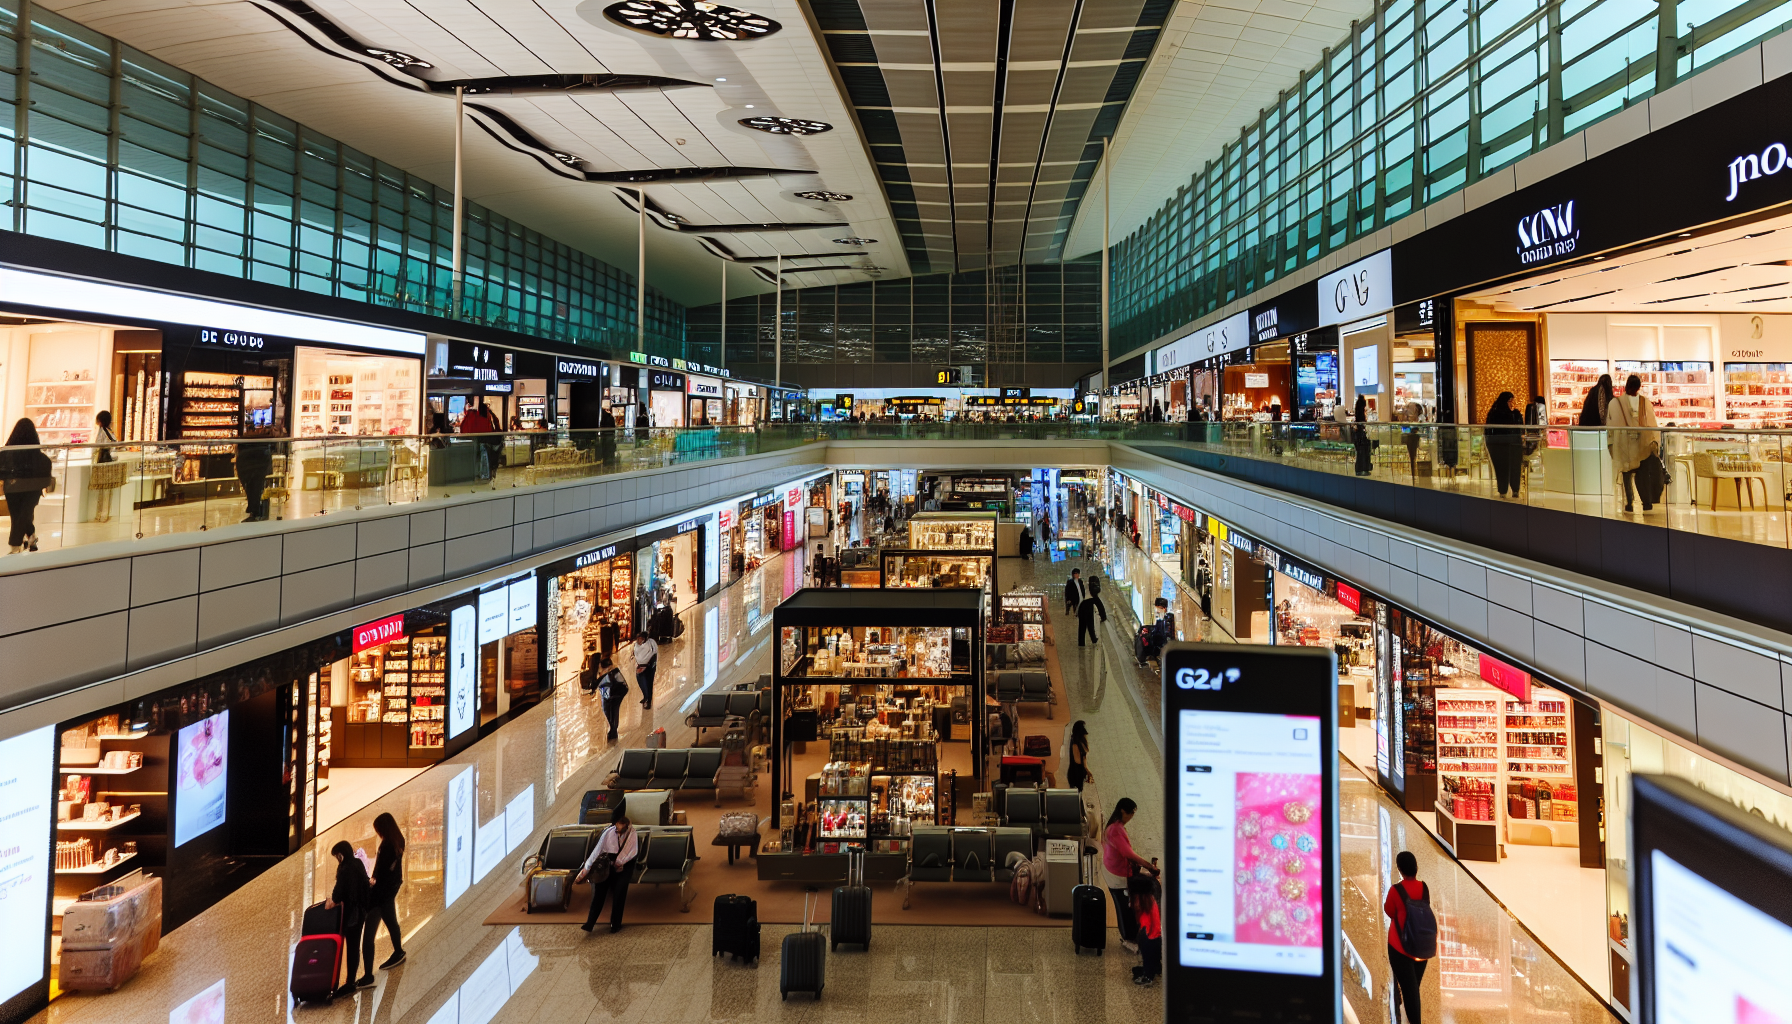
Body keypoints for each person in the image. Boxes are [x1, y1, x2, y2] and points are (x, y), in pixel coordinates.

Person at [1103, 798, 1158, 954]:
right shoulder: (1116, 830)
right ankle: (1129, 937)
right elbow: (1128, 853)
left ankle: (1130, 935)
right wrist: (1148, 865)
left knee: (1124, 906)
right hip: (1117, 876)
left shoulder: (1113, 826)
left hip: (1114, 870)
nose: (1131, 817)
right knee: (1124, 908)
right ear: (1122, 811)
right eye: (1131, 813)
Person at [576, 808, 640, 933]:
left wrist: (619, 863)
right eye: (617, 830)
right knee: (599, 892)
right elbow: (598, 850)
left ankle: (615, 924)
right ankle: (590, 923)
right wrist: (587, 867)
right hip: (607, 864)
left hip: (625, 866)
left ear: (627, 826)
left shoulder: (633, 834)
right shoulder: (608, 833)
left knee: (619, 893)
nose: (619, 833)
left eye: (622, 830)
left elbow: (631, 852)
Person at [1386, 850, 1431, 1024]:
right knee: (1413, 986)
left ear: (1400, 869)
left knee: (1409, 989)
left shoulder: (1396, 890)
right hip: (1422, 945)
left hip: (1400, 947)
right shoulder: (1424, 887)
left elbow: (1389, 910)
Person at [324, 840, 374, 995]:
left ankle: (350, 983)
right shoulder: (358, 863)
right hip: (362, 912)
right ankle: (351, 979)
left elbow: (337, 895)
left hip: (351, 914)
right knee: (355, 947)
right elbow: (366, 882)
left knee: (351, 948)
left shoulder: (344, 869)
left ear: (340, 854)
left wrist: (330, 902)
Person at [1607, 373, 1661, 512]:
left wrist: (1611, 445)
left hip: (1624, 443)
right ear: (1638, 387)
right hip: (1641, 443)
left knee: (1626, 473)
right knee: (1641, 473)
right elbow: (1651, 424)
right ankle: (1646, 502)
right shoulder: (1644, 402)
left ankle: (1629, 502)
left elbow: (1611, 426)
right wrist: (1654, 442)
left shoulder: (1616, 403)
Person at [0, 418, 54, 553]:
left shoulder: (8, 452)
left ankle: (15, 545)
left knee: (18, 515)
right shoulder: (37, 454)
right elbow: (45, 468)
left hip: (12, 487)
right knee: (24, 514)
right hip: (33, 488)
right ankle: (31, 537)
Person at [368, 812, 407, 969]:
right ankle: (398, 950)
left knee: (390, 919)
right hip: (394, 884)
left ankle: (398, 951)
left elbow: (381, 869)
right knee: (391, 919)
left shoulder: (386, 846)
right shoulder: (398, 840)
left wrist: (373, 882)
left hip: (384, 889)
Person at [1485, 391, 1525, 498]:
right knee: (1503, 467)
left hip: (1510, 444)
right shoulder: (1497, 413)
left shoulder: (1512, 413)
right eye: (1510, 401)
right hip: (1501, 444)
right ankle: (1504, 489)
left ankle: (1513, 489)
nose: (1512, 404)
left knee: (1513, 466)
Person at [236, 426, 277, 522]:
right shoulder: (260, 446)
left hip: (253, 465)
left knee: (256, 487)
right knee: (255, 487)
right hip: (253, 464)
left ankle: (256, 510)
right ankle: (255, 509)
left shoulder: (253, 446)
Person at [1130, 873, 1162, 985]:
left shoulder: (1140, 900)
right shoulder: (1150, 899)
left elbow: (1136, 908)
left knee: (1147, 957)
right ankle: (1156, 968)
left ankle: (1148, 977)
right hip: (1156, 935)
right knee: (1154, 956)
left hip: (1148, 935)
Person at [91, 411, 118, 523]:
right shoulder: (110, 431)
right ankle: (103, 514)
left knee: (103, 490)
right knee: (107, 490)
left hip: (103, 462)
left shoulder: (102, 432)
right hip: (109, 462)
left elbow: (96, 447)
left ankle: (101, 514)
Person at [597, 652, 629, 740]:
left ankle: (613, 731)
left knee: (614, 712)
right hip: (607, 696)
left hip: (615, 696)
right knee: (607, 712)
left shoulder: (615, 672)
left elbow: (623, 685)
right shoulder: (601, 675)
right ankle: (612, 729)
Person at [1140, 596, 1174, 665]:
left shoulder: (1167, 619)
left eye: (1158, 608)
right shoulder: (1161, 620)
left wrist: (1149, 635)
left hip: (1160, 644)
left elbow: (1164, 634)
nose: (1157, 611)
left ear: (1163, 608)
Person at [632, 629, 658, 710]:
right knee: (641, 682)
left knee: (648, 683)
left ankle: (648, 700)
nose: (639, 641)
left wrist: (649, 664)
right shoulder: (636, 645)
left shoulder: (651, 643)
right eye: (638, 639)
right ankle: (645, 696)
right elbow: (635, 653)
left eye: (641, 639)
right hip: (640, 666)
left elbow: (655, 653)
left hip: (649, 667)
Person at [1077, 580, 1107, 647]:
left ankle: (1081, 643)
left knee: (1082, 626)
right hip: (1088, 608)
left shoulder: (1086, 588)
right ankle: (1093, 639)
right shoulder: (1093, 597)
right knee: (1090, 624)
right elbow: (1100, 606)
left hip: (1081, 608)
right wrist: (1103, 617)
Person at [1066, 720, 1092, 791]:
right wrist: (1087, 771)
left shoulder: (1080, 741)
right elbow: (1078, 761)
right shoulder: (1075, 744)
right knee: (1077, 794)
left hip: (1078, 773)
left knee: (1079, 793)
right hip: (1075, 775)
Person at [1351, 394, 1372, 476]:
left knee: (1360, 452)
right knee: (1363, 451)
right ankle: (1363, 468)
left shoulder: (1358, 413)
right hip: (1361, 434)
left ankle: (1360, 469)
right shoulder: (1361, 416)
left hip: (1358, 434)